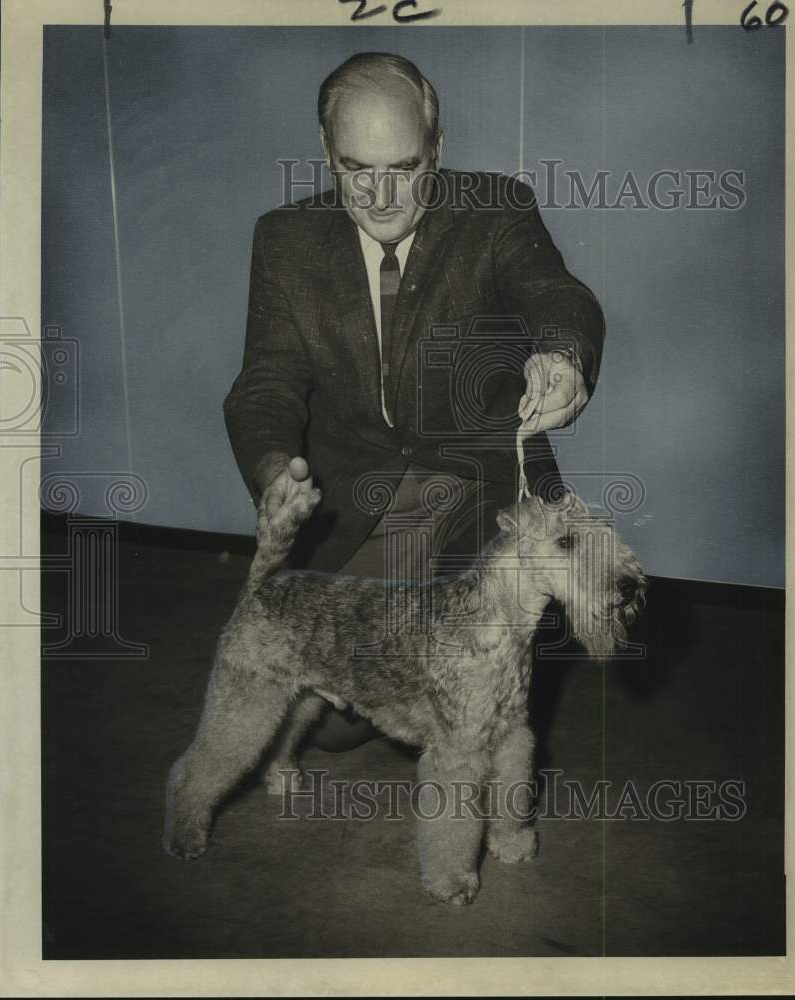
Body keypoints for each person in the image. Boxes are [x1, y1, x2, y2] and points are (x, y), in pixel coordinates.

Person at [223, 52, 605, 750]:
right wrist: (276, 470)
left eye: (402, 168)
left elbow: (559, 296)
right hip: (363, 497)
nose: (378, 195)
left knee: (486, 694)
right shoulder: (283, 240)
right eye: (355, 168)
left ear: (438, 147)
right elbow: (266, 382)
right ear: (324, 153)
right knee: (333, 728)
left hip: (480, 489)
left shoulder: (496, 212)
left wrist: (564, 355)